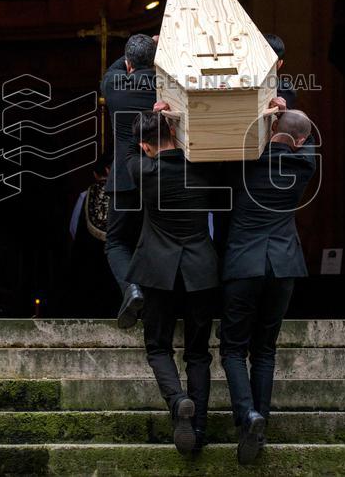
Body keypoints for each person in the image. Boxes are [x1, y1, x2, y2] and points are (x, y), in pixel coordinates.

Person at [219, 107, 316, 465]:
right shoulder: (304, 166)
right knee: (264, 350)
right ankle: (258, 426)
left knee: (232, 349)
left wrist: (265, 118)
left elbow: (226, 142)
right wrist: (284, 116)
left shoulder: (244, 162)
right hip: (284, 265)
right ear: (301, 141)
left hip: (244, 264)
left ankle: (248, 415)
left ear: (273, 126)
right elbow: (306, 140)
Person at [128, 110, 222, 454]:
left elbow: (128, 147)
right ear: (173, 132)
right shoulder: (203, 168)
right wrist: (177, 122)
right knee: (198, 354)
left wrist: (154, 119)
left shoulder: (141, 170)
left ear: (145, 146)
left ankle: (177, 399)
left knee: (158, 347)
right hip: (201, 269)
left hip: (158, 271)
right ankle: (198, 428)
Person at [100, 34, 157, 328]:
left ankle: (131, 289)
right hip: (157, 176)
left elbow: (112, 69)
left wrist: (137, 53)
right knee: (156, 241)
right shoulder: (165, 88)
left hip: (123, 178)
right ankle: (155, 304)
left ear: (128, 63)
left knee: (116, 242)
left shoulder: (114, 84)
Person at [263, 33, 296, 109]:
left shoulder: (285, 89)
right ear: (280, 63)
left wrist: (281, 110)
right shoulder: (286, 88)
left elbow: (285, 112)